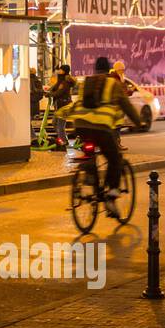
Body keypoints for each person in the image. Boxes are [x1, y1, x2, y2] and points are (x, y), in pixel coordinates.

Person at [59, 55, 142, 216]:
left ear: (95, 69)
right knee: (115, 159)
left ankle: (90, 175)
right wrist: (138, 123)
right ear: (108, 69)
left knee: (90, 154)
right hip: (102, 129)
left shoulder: (85, 83)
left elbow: (77, 103)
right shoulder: (113, 84)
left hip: (81, 127)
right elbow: (126, 106)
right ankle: (111, 195)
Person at [47, 63, 76, 148]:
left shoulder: (65, 81)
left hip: (64, 106)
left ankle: (63, 141)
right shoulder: (60, 80)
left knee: (60, 125)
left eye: (60, 69)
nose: (58, 71)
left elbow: (60, 92)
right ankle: (63, 139)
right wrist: (49, 91)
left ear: (64, 71)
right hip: (59, 105)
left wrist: (51, 94)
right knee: (55, 123)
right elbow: (54, 88)